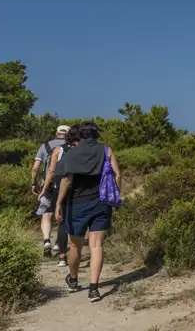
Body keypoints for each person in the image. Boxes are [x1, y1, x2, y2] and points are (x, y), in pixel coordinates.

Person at [55, 121, 121, 303]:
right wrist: (115, 198)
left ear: (80, 135)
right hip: (101, 203)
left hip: (77, 204)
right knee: (97, 245)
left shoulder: (71, 153)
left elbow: (66, 180)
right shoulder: (106, 150)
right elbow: (117, 174)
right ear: (96, 134)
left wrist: (58, 203)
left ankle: (74, 279)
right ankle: (93, 289)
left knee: (75, 246)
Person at [39, 126, 81, 267]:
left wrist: (44, 189)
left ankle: (62, 257)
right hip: (79, 189)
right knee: (77, 221)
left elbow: (51, 171)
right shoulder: (81, 150)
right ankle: (77, 252)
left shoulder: (58, 150)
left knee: (61, 222)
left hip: (59, 188)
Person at [32, 125, 69, 257]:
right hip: (63, 185)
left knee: (46, 213)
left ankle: (46, 240)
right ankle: (59, 242)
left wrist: (34, 183)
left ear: (56, 133)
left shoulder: (45, 146)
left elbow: (35, 168)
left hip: (46, 185)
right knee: (61, 215)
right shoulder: (70, 146)